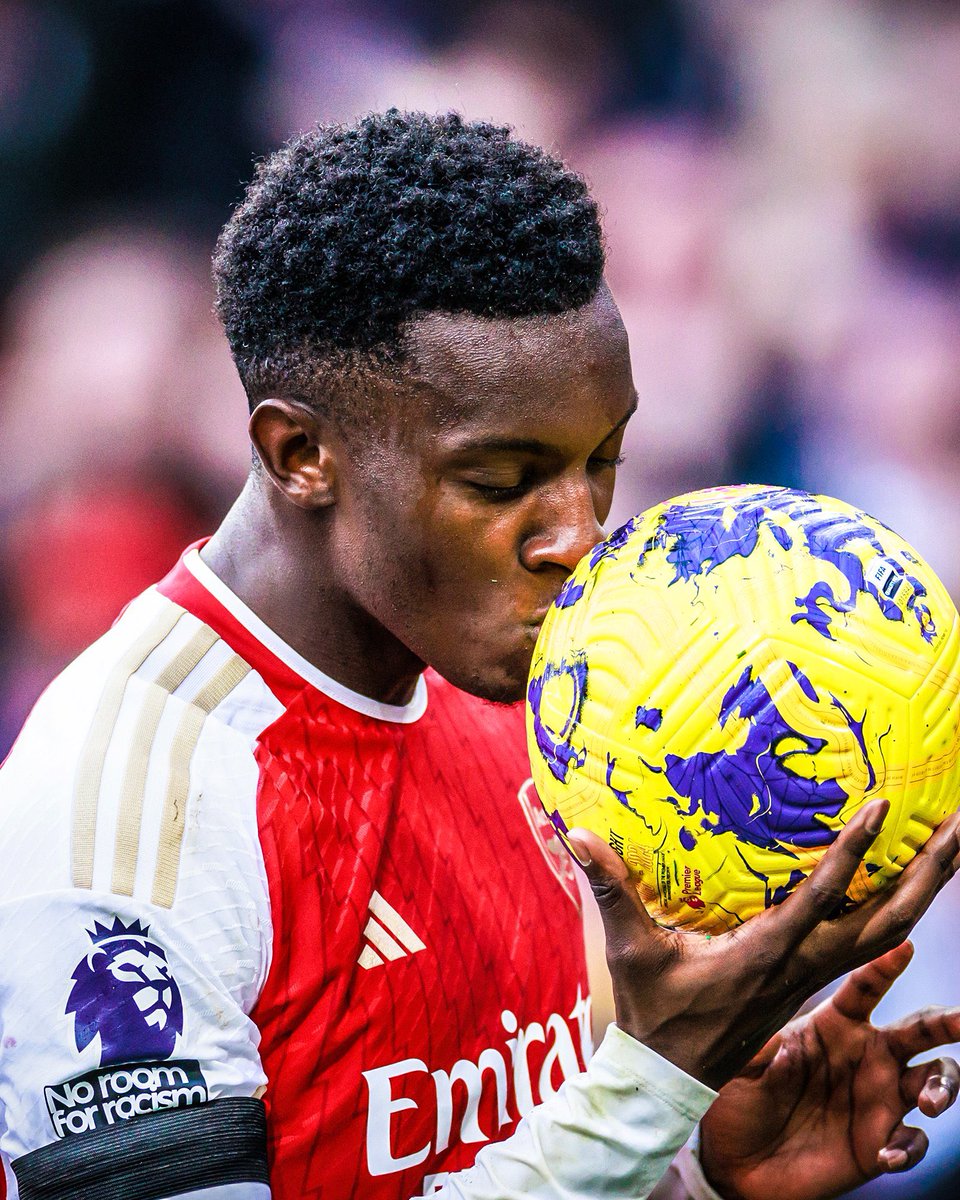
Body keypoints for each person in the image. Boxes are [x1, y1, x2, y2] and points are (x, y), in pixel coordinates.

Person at [0, 110, 958, 1200]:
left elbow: (538, 1145)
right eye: (504, 483)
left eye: (604, 460)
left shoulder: (561, 700)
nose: (580, 537)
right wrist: (649, 1092)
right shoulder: (125, 816)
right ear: (300, 453)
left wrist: (695, 1163)